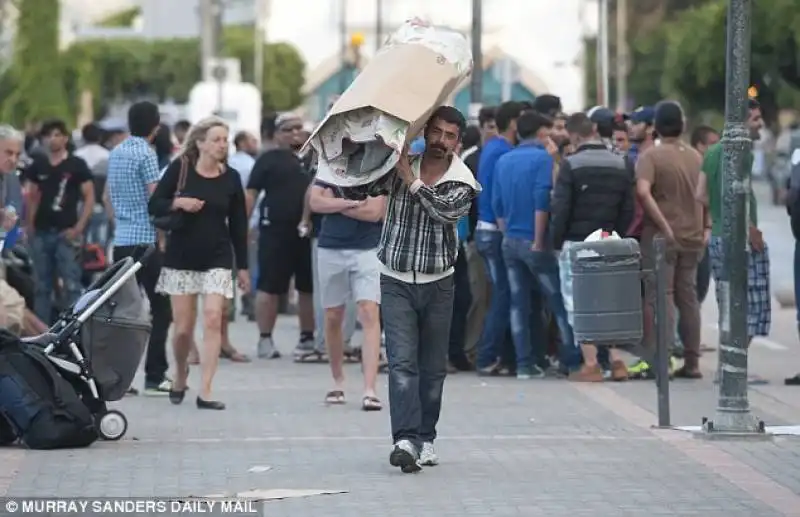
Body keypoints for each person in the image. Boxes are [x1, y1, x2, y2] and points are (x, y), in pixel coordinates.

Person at [364, 106, 480, 472]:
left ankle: (426, 438)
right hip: (395, 279)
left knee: (432, 369)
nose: (441, 141)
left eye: (449, 136)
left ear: (457, 143)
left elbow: (444, 212)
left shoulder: (463, 180)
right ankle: (404, 440)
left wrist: (410, 181)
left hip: (439, 283)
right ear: (425, 131)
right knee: (401, 364)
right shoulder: (402, 165)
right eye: (437, 132)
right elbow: (363, 185)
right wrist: (382, 151)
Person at [149, 117, 249, 410]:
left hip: (217, 256)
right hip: (181, 257)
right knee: (182, 329)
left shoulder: (231, 178)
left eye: (225, 140)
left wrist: (242, 267)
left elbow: (239, 225)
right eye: (217, 139)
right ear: (201, 143)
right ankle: (180, 373)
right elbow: (154, 204)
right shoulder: (179, 170)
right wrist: (179, 203)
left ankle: (206, 389)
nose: (222, 145)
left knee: (213, 317)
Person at [551, 112, 635, 381]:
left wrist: (556, 240)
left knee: (578, 302)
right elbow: (629, 207)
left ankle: (591, 364)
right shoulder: (622, 163)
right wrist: (615, 231)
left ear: (574, 136)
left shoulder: (571, 164)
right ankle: (617, 360)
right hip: (610, 238)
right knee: (609, 300)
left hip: (576, 242)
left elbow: (561, 208)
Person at [635, 101, 708, 379]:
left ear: (656, 126)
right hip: (692, 238)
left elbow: (643, 191)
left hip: (662, 239)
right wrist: (704, 227)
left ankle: (661, 359)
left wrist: (664, 226)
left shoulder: (651, 157)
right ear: (683, 125)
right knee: (687, 297)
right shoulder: (695, 157)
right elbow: (705, 195)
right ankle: (692, 361)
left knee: (659, 297)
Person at [105, 102, 173, 395]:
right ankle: (155, 375)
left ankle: (115, 377)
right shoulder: (147, 154)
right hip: (145, 242)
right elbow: (155, 200)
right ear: (155, 127)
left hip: (121, 242)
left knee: (122, 312)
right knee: (162, 309)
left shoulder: (116, 152)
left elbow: (108, 197)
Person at [703, 100, 770, 385]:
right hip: (741, 238)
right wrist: (751, 229)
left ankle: (726, 365)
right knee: (753, 304)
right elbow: (740, 194)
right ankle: (733, 365)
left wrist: (715, 218)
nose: (760, 124)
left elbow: (699, 194)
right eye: (755, 119)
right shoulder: (741, 151)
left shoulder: (713, 151)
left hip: (718, 236)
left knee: (728, 301)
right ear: (741, 122)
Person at [308, 178, 385, 409]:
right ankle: (337, 380)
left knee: (369, 311)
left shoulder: (376, 167)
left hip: (368, 248)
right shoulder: (330, 166)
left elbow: (375, 212)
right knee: (333, 316)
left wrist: (337, 204)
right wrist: (353, 204)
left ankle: (370, 389)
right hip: (331, 247)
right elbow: (314, 202)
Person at [246, 113, 315, 360]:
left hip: (309, 232)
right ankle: (265, 338)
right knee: (270, 286)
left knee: (308, 286)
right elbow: (251, 194)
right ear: (276, 135)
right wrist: (243, 226)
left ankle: (308, 337)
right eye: (288, 129)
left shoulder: (315, 157)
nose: (295, 133)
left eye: (299, 128)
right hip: (274, 230)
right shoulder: (268, 160)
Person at [22, 119, 94, 323]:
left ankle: (74, 329)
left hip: (66, 233)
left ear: (65, 138)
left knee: (71, 284)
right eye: (48, 135)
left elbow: (89, 197)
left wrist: (79, 227)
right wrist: (29, 226)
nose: (52, 139)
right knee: (42, 286)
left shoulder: (76, 165)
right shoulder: (38, 165)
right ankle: (42, 332)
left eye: (56, 135)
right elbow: (31, 196)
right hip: (42, 233)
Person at [474, 101, 522, 376]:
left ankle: (500, 355)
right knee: (503, 296)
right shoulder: (502, 150)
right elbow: (497, 197)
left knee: (501, 294)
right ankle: (487, 355)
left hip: (487, 229)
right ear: (514, 123)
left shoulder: (492, 148)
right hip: (495, 230)